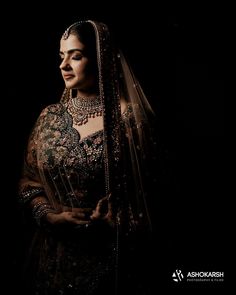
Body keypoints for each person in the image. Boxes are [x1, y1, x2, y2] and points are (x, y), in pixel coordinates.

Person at [18, 19, 158, 295]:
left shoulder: (130, 120)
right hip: (52, 259)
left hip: (112, 264)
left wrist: (117, 224)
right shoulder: (50, 117)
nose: (64, 66)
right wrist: (48, 216)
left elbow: (158, 199)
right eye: (61, 57)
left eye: (76, 56)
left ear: (101, 59)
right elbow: (28, 182)